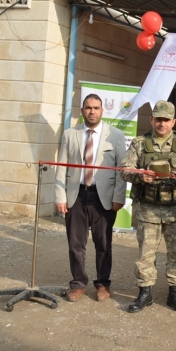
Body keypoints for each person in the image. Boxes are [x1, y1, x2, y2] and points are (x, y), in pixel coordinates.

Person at [120, 100, 176, 314]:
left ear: (173, 121)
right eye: (158, 119)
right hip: (148, 210)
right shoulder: (139, 144)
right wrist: (140, 176)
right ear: (151, 120)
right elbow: (124, 169)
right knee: (146, 255)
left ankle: (174, 292)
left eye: (166, 120)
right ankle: (144, 293)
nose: (162, 124)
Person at [54, 94, 126, 302]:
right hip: (76, 196)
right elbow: (62, 167)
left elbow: (121, 169)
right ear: (82, 110)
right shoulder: (70, 134)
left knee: (103, 243)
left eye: (96, 108)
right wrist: (60, 196)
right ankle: (78, 283)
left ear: (102, 111)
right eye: (88, 108)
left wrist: (118, 197)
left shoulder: (115, 135)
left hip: (102, 197)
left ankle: (103, 283)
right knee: (75, 243)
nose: (92, 111)